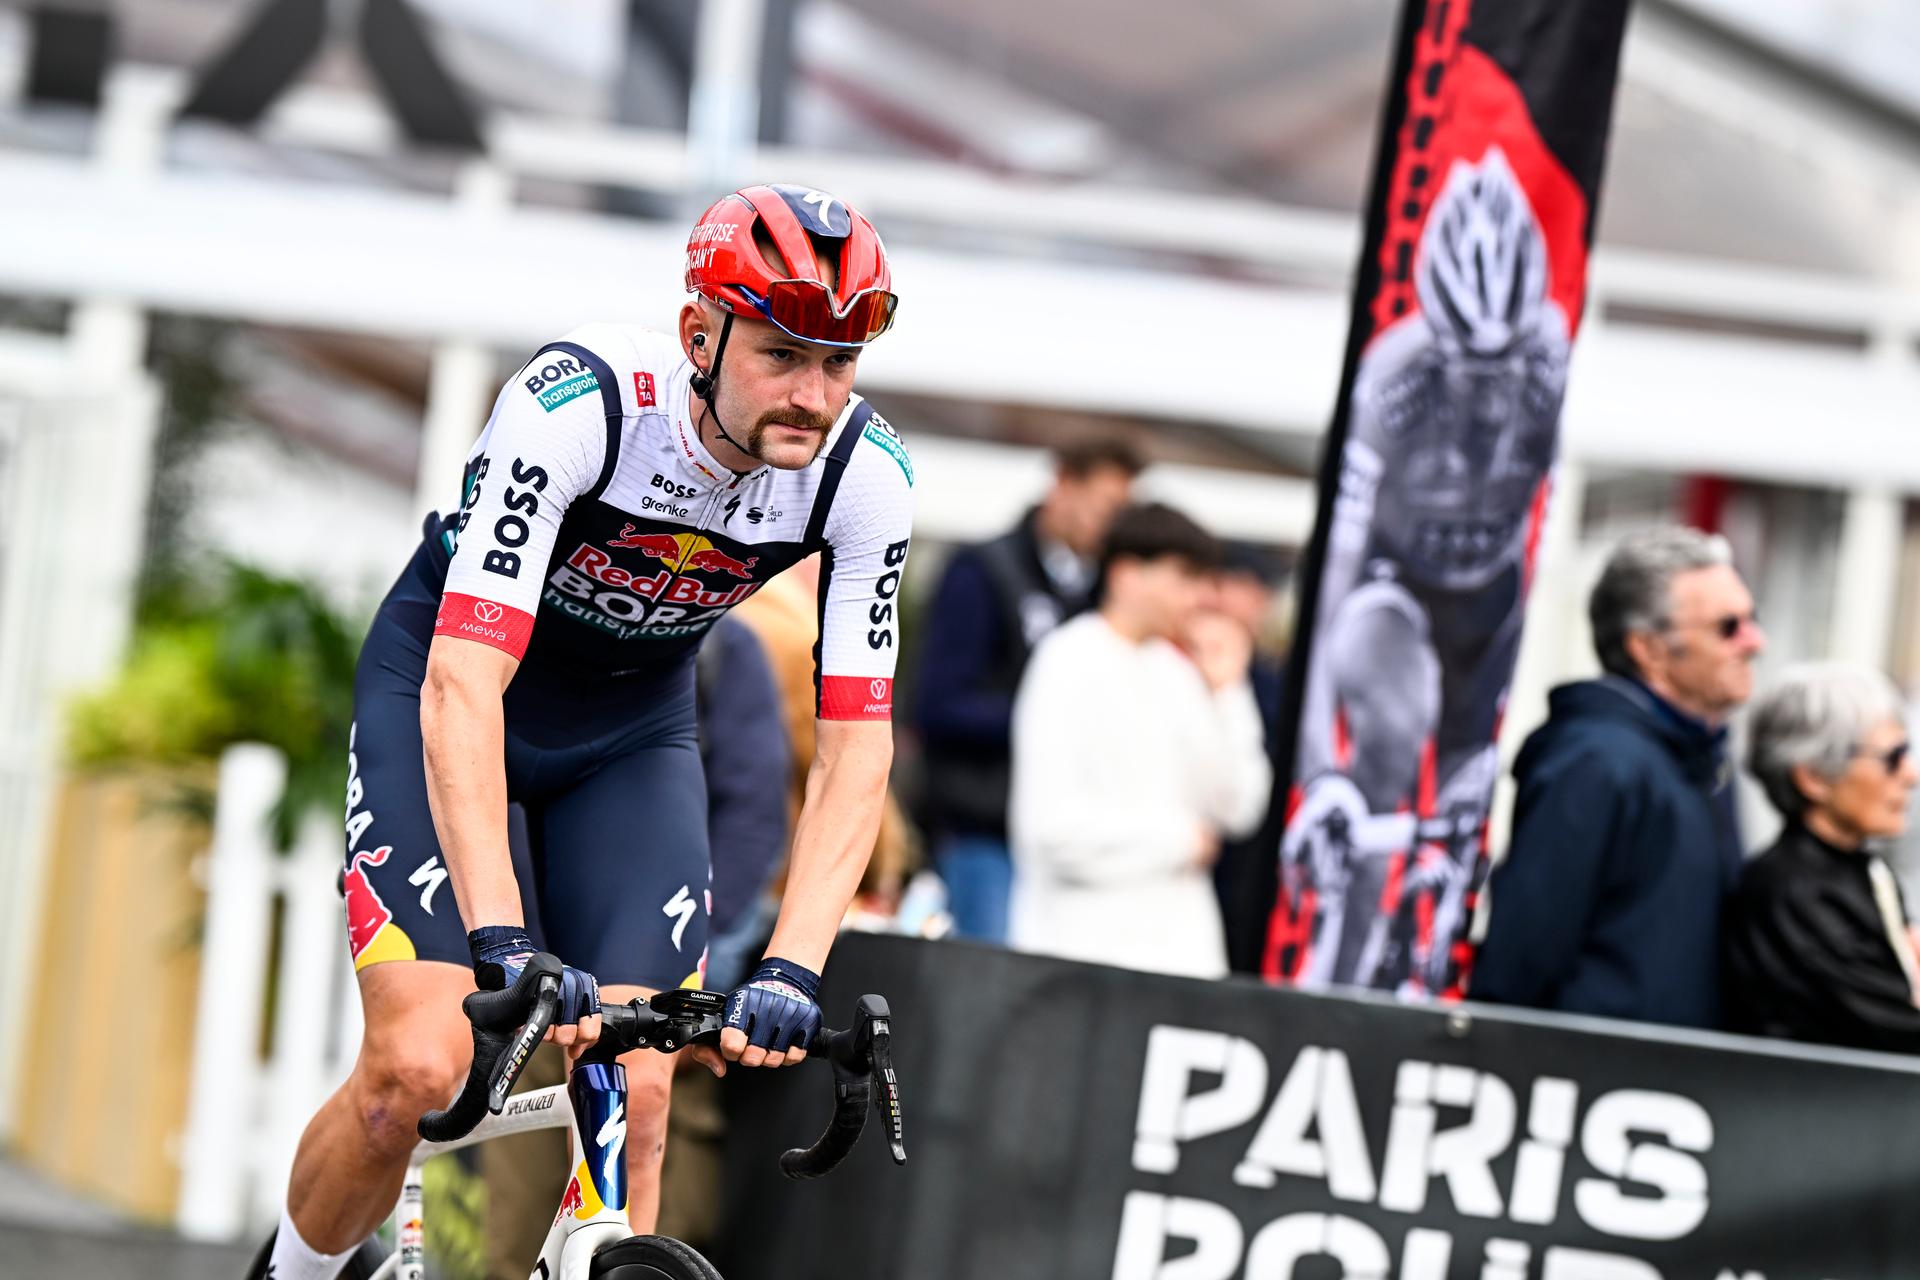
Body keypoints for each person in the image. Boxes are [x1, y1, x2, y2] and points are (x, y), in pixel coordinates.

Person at [261, 183, 914, 1280]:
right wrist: (506, 940)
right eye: (781, 355)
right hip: (453, 687)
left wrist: (795, 964)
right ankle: (292, 1270)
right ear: (699, 331)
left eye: (839, 363)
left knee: (637, 1085)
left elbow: (858, 747)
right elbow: (465, 681)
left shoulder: (865, 477)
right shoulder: (583, 404)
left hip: (628, 734)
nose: (814, 394)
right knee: (420, 1069)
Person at [1472, 526, 1763, 1028]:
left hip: (1670, 1089)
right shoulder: (1595, 762)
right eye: (1728, 626)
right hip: (1594, 1085)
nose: (1754, 642)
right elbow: (1520, 963)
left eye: (1751, 620)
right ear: (1649, 649)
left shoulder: (1701, 758)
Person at [1007, 503, 1270, 978]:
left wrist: (1231, 690)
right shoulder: (1066, 661)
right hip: (1083, 963)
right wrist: (1179, 842)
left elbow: (1240, 808)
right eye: (1184, 577)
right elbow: (1048, 832)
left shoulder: (1181, 673)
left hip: (1179, 968)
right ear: (1127, 573)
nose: (1198, 597)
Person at [914, 439, 1142, 942]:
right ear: (1062, 483)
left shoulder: (1100, 590)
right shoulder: (984, 569)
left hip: (1067, 838)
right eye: (1107, 507)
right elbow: (936, 704)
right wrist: (1047, 719)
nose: (1112, 525)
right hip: (984, 827)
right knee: (987, 982)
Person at [1725, 663, 1920, 1052]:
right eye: (1892, 757)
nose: (1910, 775)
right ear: (1813, 777)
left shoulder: (1859, 867)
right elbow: (1888, 1025)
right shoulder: (1791, 891)